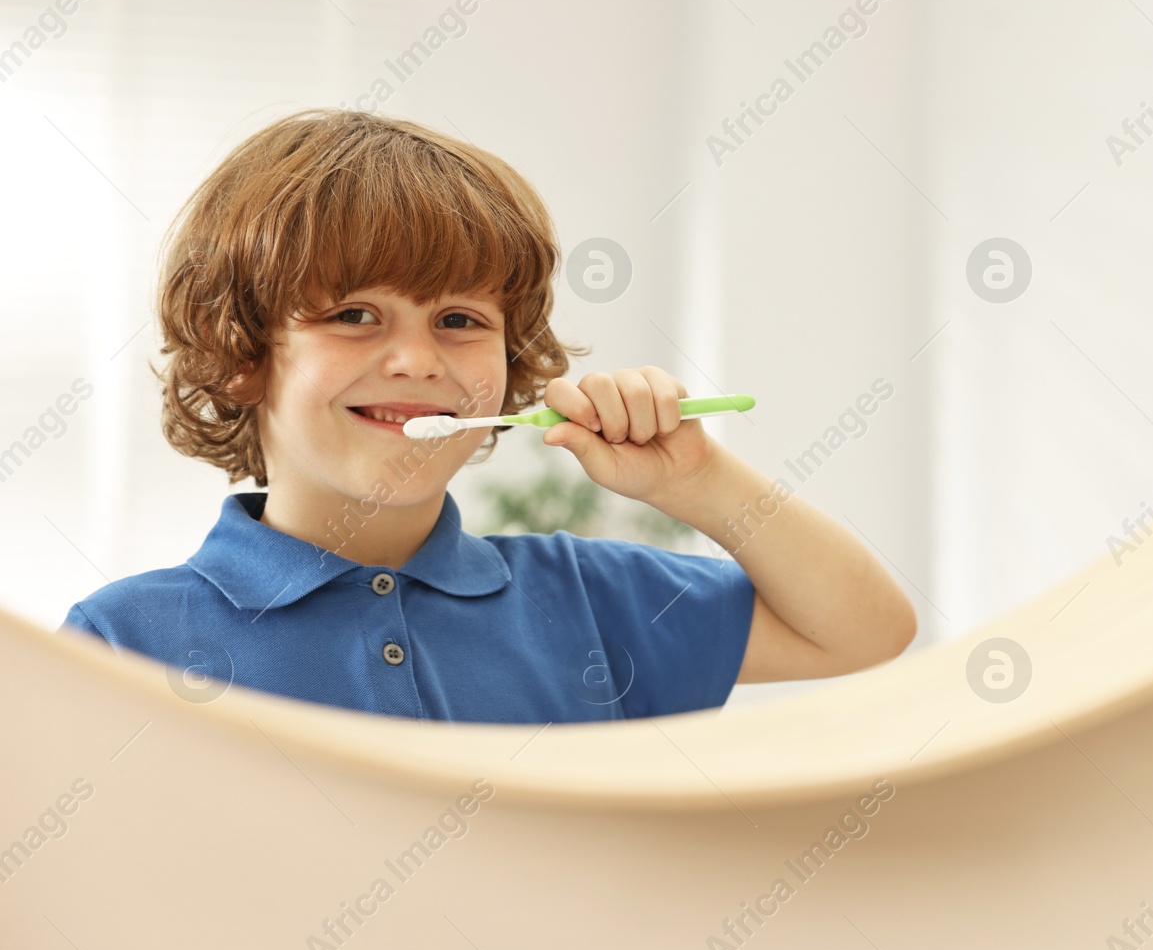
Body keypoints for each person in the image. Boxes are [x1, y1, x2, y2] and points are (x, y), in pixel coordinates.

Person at [57, 109, 916, 723]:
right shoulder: (127, 641)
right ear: (242, 355)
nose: (419, 359)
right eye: (355, 314)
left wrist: (701, 480)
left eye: (460, 321)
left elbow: (865, 633)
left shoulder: (591, 601)